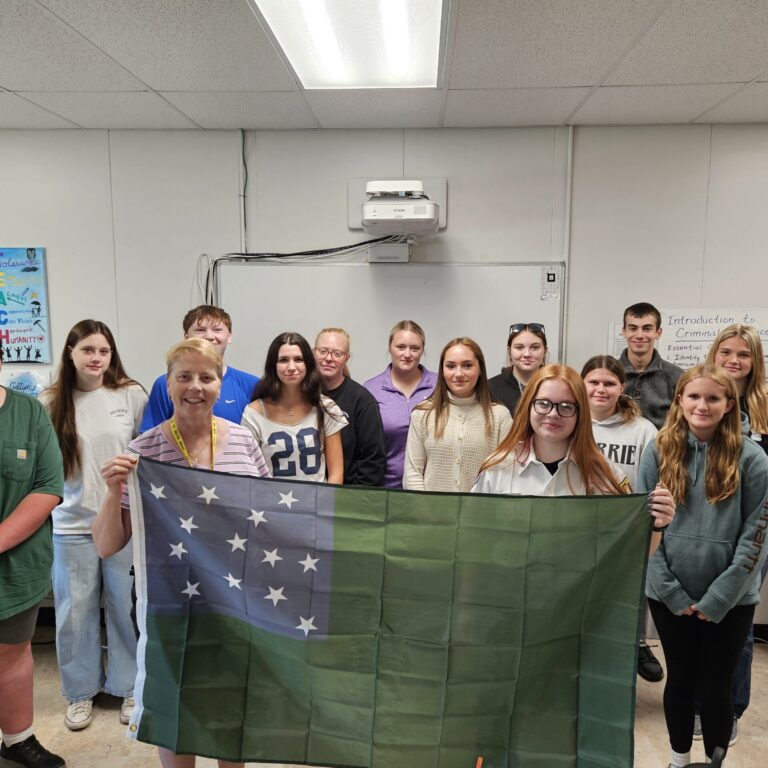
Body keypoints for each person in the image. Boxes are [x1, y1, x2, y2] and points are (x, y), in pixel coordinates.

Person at [93, 338, 270, 768]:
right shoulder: (144, 452)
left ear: (219, 383)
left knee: (231, 708)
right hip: (169, 604)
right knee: (175, 709)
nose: (195, 386)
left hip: (233, 601)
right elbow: (107, 544)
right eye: (184, 377)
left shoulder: (245, 442)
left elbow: (269, 521)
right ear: (167, 385)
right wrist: (113, 490)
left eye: (206, 377)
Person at [638, 364, 768, 768]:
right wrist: (670, 590)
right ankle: (678, 760)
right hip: (668, 593)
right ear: (680, 400)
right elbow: (642, 530)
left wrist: (719, 598)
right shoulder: (659, 449)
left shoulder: (753, 458)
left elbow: (756, 536)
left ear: (729, 404)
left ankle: (716, 762)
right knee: (680, 680)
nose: (702, 405)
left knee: (716, 686)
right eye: (694, 396)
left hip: (731, 599)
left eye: (713, 398)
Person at [40, 321, 147, 731]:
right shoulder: (51, 400)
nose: (96, 358)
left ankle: (125, 687)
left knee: (123, 605)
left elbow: (147, 448)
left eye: (103, 351)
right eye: (87, 350)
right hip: (71, 524)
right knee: (74, 611)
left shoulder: (130, 394)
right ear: (70, 352)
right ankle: (80, 692)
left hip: (120, 521)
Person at [698, 324, 768, 745]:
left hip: (754, 530)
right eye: (726, 351)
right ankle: (697, 705)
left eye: (743, 354)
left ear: (754, 361)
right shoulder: (700, 395)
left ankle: (729, 706)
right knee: (697, 618)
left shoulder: (763, 410)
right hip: (702, 528)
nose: (734, 360)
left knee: (735, 622)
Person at [0, 340, 66, 768]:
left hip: (16, 565)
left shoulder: (28, 412)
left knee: (13, 652)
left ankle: (17, 738)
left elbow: (47, 487)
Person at [581, 354, 663, 684]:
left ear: (622, 386)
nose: (601, 389)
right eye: (593, 382)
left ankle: (634, 645)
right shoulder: (572, 421)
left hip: (625, 531)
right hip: (580, 530)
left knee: (623, 602)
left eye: (609, 383)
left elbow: (653, 481)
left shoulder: (643, 430)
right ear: (581, 384)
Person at [403, 337, 512, 492]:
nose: (458, 373)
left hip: (482, 513)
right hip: (430, 514)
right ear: (443, 371)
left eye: (467, 365)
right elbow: (413, 474)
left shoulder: (500, 416)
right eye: (450, 366)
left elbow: (506, 476)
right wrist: (424, 511)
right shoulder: (423, 414)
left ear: (480, 369)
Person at [241, 332, 347, 483]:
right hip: (270, 504)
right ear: (273, 365)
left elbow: (336, 474)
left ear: (308, 364)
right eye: (283, 360)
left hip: (316, 504)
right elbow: (249, 474)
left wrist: (324, 505)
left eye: (298, 359)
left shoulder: (327, 408)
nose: (291, 367)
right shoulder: (253, 413)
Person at [140, 305, 258, 432]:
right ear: (186, 336)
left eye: (217, 330)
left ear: (229, 336)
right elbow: (150, 438)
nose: (209, 336)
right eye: (200, 330)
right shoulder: (165, 384)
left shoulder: (252, 385)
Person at [363, 321, 437, 488]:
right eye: (401, 347)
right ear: (390, 348)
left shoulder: (440, 386)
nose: (407, 354)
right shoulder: (371, 389)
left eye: (415, 348)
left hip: (431, 489)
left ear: (422, 350)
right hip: (384, 489)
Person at [313, 328, 386, 486]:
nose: (328, 358)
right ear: (313, 353)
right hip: (306, 493)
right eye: (323, 351)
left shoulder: (363, 401)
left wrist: (352, 499)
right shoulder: (300, 395)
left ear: (347, 357)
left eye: (337, 354)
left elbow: (372, 462)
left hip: (347, 496)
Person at [619, 302, 684, 429]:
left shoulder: (677, 377)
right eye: (633, 328)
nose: (639, 335)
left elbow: (683, 423)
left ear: (658, 333)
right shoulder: (609, 374)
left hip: (661, 447)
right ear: (624, 331)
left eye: (647, 328)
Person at [488, 323, 548, 415]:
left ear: (545, 351)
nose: (527, 354)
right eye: (519, 347)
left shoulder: (556, 387)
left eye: (535, 347)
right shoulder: (490, 388)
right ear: (509, 351)